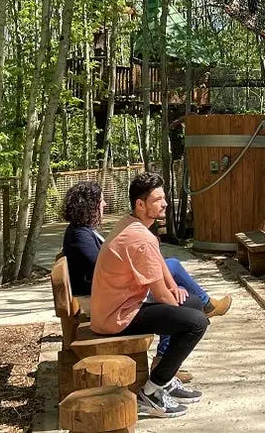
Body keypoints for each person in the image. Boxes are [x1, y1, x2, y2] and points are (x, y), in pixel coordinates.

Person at [60, 180, 231, 380]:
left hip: (114, 297)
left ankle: (198, 313)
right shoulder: (80, 235)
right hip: (108, 304)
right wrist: (170, 295)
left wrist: (173, 288)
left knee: (182, 290)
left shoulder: (91, 230)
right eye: (100, 201)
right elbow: (99, 267)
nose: (104, 204)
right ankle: (159, 380)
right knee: (191, 317)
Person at [90, 173, 209, 418]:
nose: (164, 203)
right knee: (197, 322)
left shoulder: (132, 224)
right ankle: (152, 391)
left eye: (164, 198)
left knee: (194, 303)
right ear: (140, 204)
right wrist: (171, 293)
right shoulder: (139, 238)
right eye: (158, 199)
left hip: (121, 308)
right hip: (116, 318)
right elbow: (162, 296)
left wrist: (173, 286)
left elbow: (160, 263)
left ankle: (164, 380)